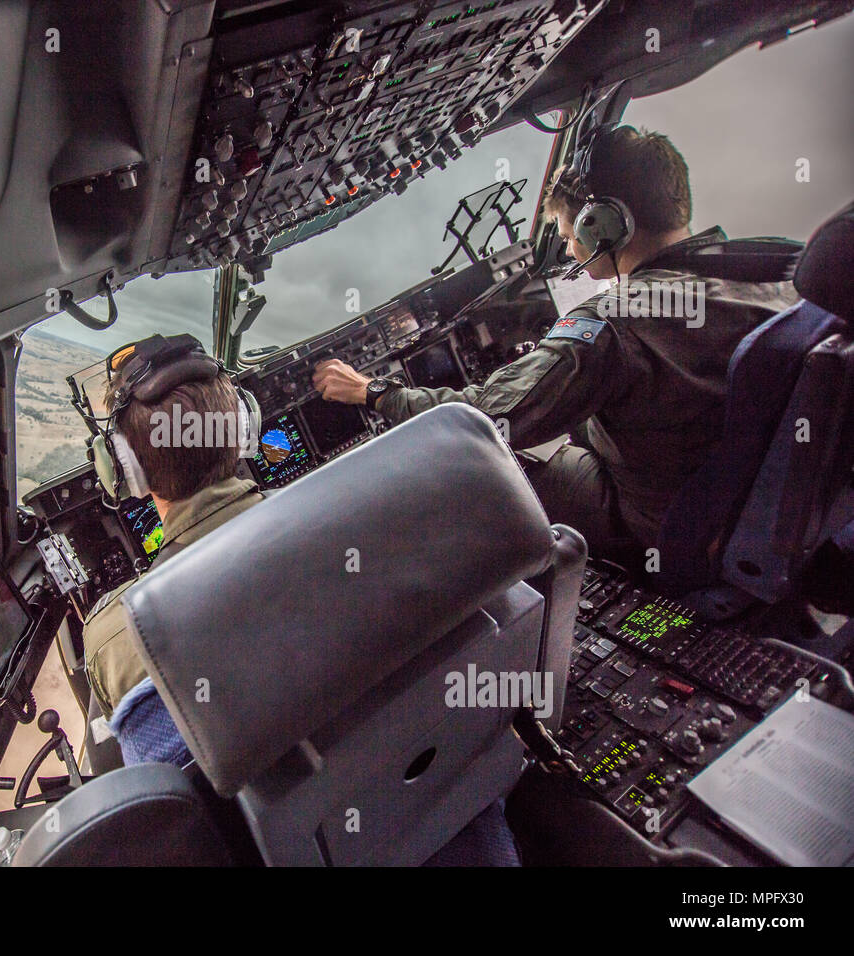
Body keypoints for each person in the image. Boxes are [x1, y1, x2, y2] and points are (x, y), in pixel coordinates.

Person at [81, 332, 520, 865]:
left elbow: (159, 811)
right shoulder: (380, 517)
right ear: (244, 428)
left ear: (122, 466)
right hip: (455, 820)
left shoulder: (118, 638)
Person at [313, 125, 799, 558]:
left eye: (570, 234)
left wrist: (373, 391)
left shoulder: (615, 321)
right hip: (769, 501)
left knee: (497, 457)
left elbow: (482, 419)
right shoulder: (777, 272)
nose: (569, 248)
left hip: (671, 522)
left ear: (606, 225)